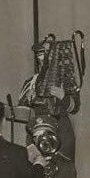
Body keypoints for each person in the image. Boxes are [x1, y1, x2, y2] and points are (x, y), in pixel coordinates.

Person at [19, 38, 81, 167]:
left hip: (60, 131)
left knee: (62, 171)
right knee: (35, 171)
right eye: (40, 56)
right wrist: (28, 100)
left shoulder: (66, 80)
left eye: (47, 57)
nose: (43, 62)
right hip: (36, 131)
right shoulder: (31, 82)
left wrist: (63, 96)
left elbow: (75, 107)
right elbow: (21, 110)